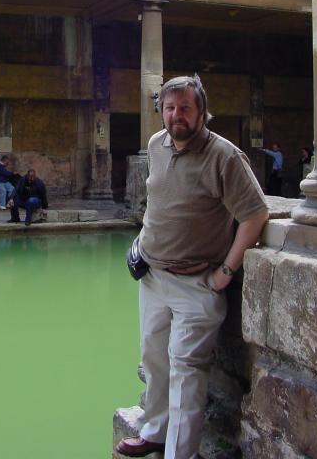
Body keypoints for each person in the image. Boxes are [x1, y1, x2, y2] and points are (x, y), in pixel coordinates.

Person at [115, 75, 268, 459]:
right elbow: (162, 203)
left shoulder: (225, 156)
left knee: (185, 373)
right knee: (154, 359)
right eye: (169, 107)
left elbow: (255, 215)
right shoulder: (156, 145)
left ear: (201, 111)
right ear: (160, 110)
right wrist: (142, 243)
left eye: (185, 107)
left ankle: (177, 454)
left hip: (197, 283)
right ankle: (153, 432)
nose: (176, 115)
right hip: (152, 277)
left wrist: (227, 271)